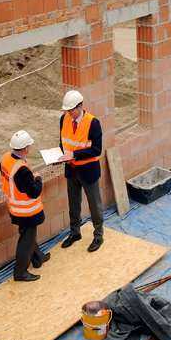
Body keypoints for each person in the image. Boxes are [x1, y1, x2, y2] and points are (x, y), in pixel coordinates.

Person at [58, 89, 105, 253]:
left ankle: (98, 235)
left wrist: (74, 155)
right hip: (71, 170)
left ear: (80, 106)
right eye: (67, 110)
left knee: (94, 204)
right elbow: (63, 142)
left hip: (88, 171)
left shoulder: (93, 123)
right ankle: (75, 232)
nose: (69, 113)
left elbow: (97, 150)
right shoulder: (63, 119)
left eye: (71, 110)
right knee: (73, 203)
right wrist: (59, 156)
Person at [0, 130, 49, 282]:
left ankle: (37, 257)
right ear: (25, 148)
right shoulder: (22, 169)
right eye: (29, 146)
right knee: (26, 240)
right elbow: (34, 192)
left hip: (15, 208)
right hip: (27, 212)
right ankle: (20, 272)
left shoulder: (6, 159)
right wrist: (39, 179)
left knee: (28, 236)